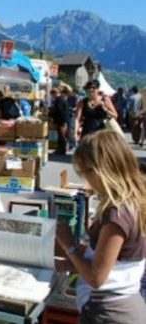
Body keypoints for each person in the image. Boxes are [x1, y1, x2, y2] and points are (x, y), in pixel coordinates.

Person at [55, 130, 146, 322]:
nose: (85, 180)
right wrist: (62, 262)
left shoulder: (117, 214)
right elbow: (109, 260)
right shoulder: (133, 201)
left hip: (109, 313)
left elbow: (97, 277)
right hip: (121, 308)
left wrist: (69, 245)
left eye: (85, 172)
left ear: (101, 170)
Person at [50, 88, 70, 154]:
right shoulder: (62, 99)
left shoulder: (59, 100)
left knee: (61, 136)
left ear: (55, 93)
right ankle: (61, 149)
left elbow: (59, 111)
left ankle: (61, 150)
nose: (52, 96)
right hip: (62, 120)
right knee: (61, 135)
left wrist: (51, 113)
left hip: (61, 120)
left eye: (52, 95)